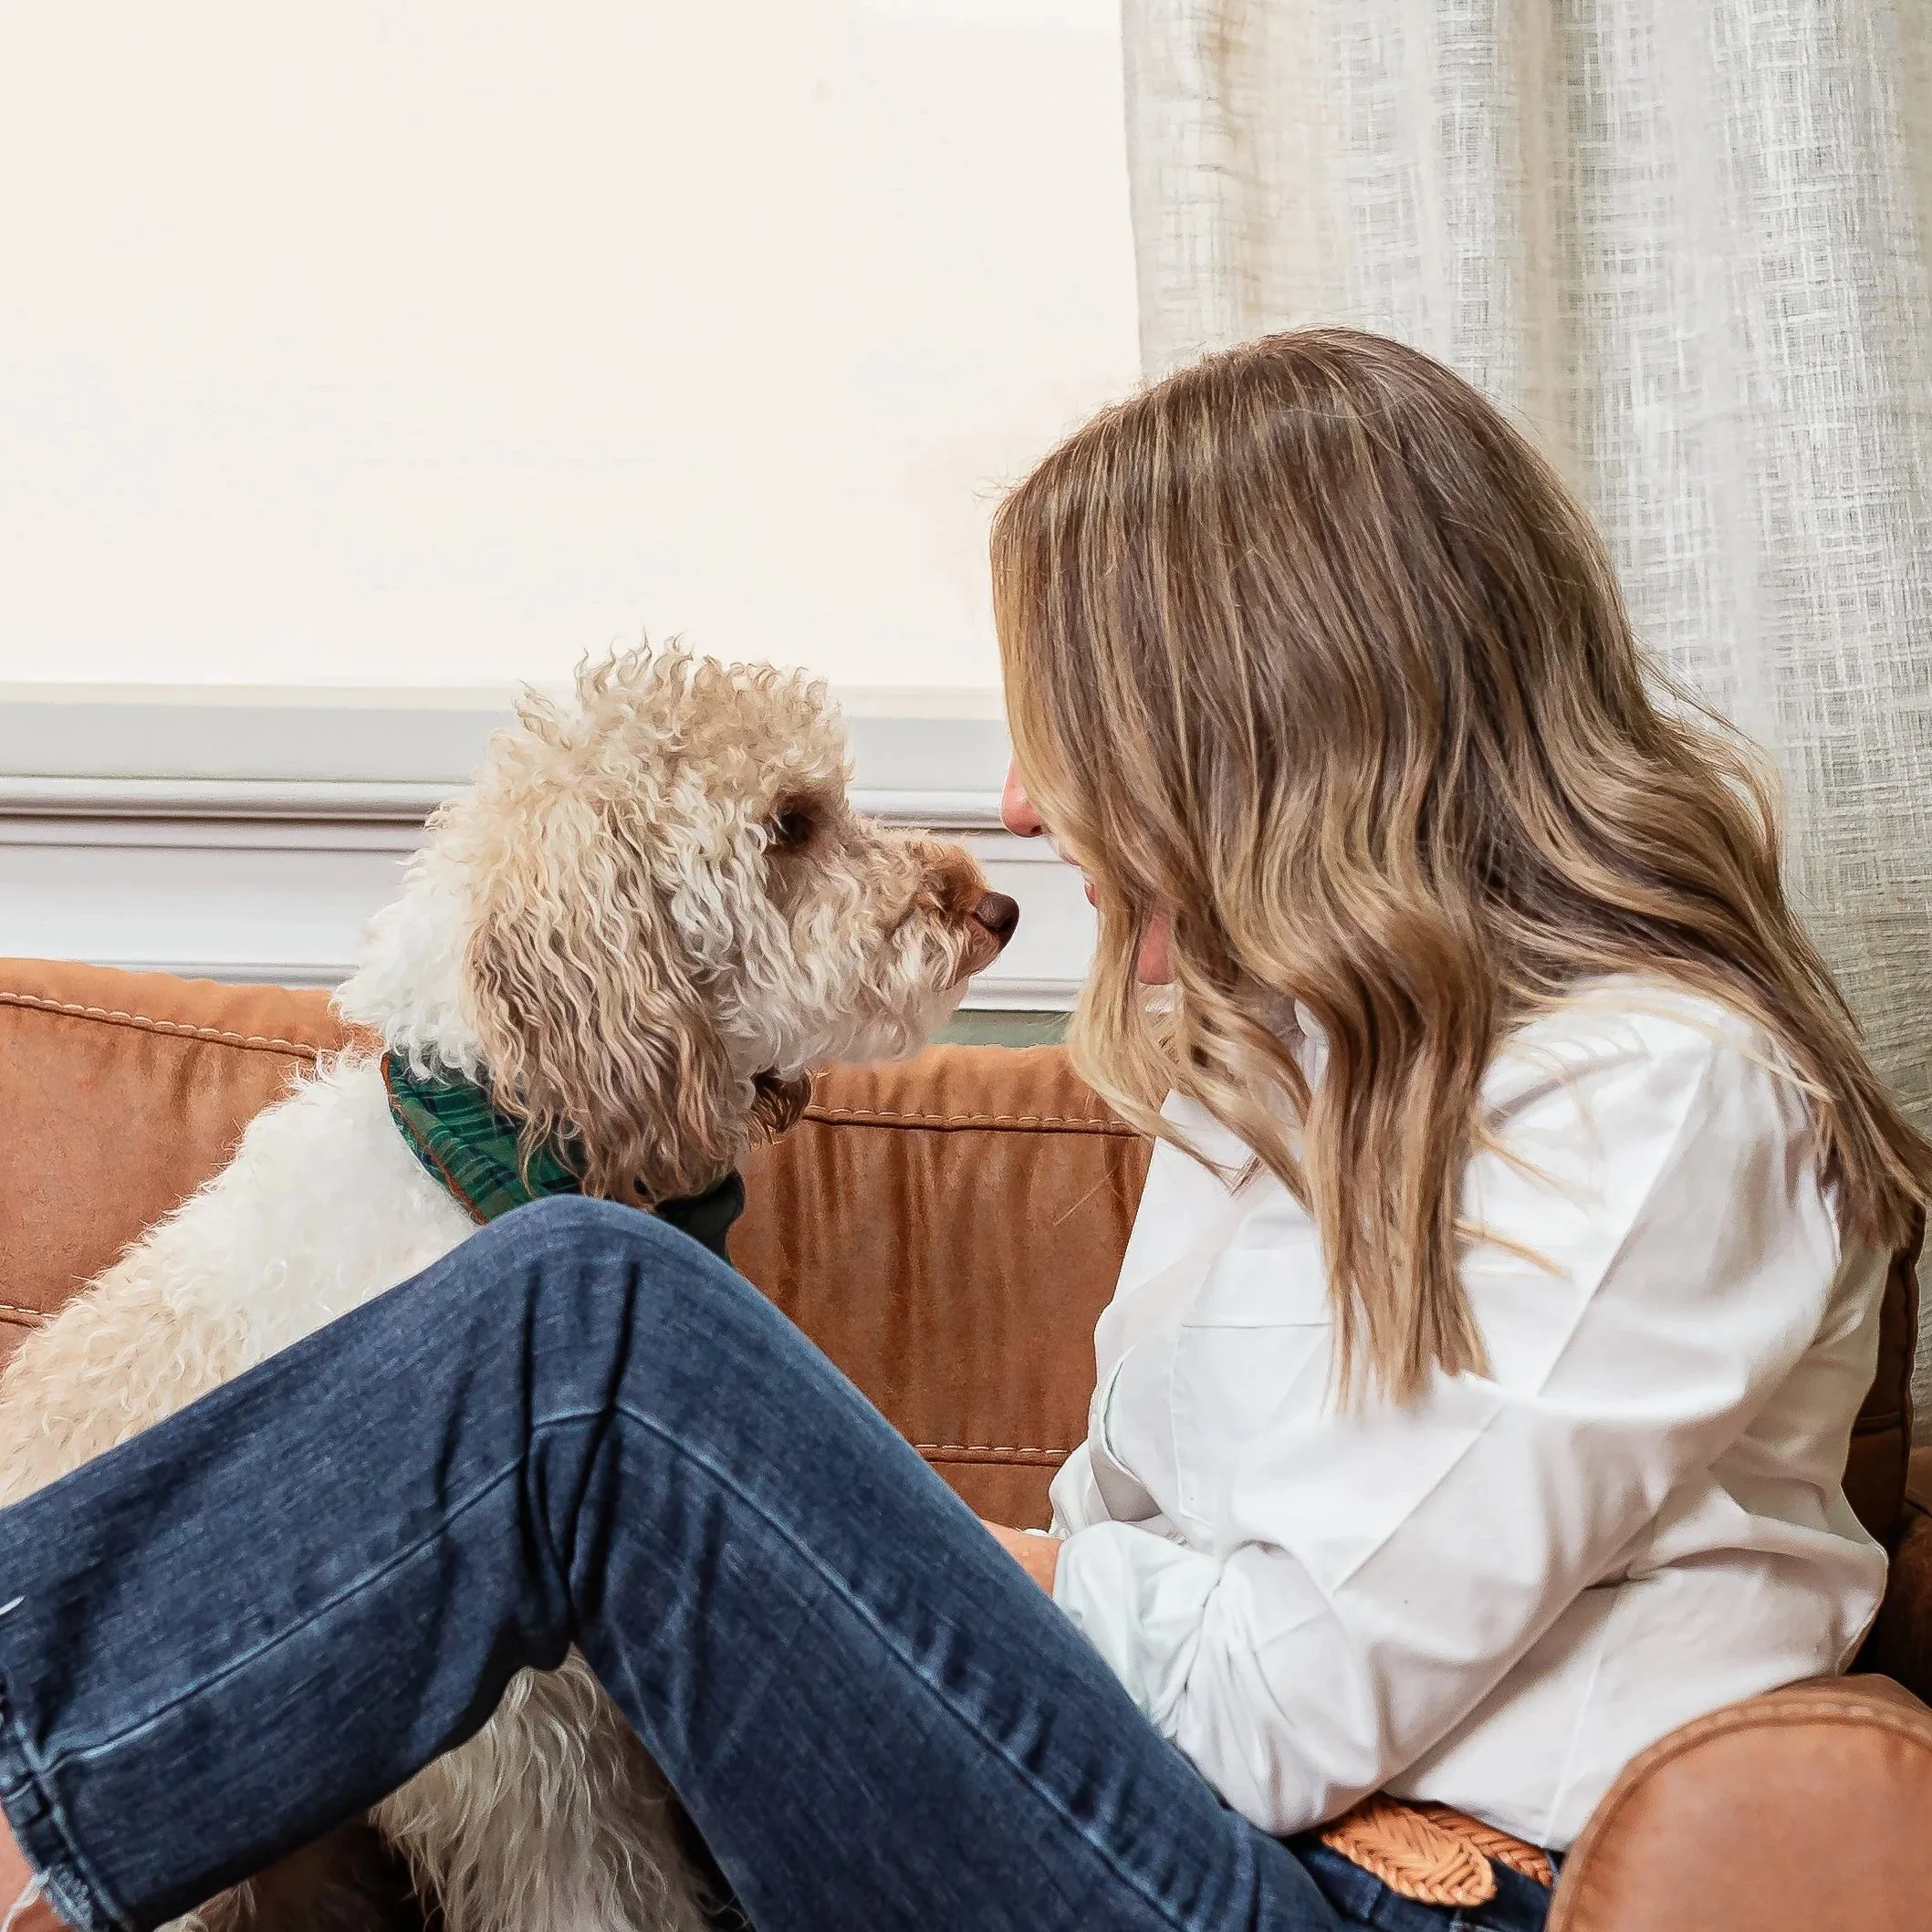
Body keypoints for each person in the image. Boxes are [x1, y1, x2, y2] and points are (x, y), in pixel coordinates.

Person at [2, 329, 1926, 1932]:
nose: (1016, 806)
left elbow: (1271, 1699)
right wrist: (929, 1569)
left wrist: (895, 1555)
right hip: (1163, 1834)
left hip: (1369, 1897)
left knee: (579, 1308)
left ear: (1262, 729)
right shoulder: (1265, 1073)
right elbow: (1115, 1535)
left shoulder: (1673, 1100)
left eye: (1073, 729)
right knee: (575, 1325)